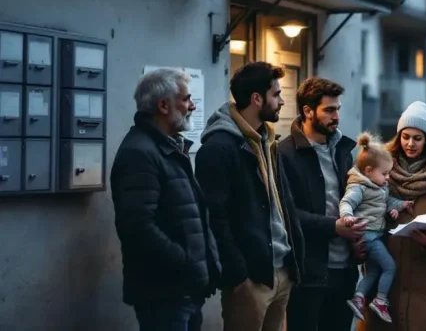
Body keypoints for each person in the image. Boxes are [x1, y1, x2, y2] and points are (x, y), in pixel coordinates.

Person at [194, 62, 304, 331]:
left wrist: (292, 263)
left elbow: (282, 204)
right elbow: (213, 215)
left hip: (280, 271)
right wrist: (237, 272)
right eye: (276, 94)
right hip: (250, 279)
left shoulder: (268, 141)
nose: (282, 101)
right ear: (256, 99)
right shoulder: (219, 147)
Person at [111, 68, 221, 331]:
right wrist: (186, 262)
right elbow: (137, 227)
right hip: (165, 294)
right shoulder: (140, 153)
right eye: (186, 99)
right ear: (163, 105)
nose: (192, 106)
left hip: (184, 290)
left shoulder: (167, 148)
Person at [358, 100, 426, 331]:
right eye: (405, 137)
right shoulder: (381, 172)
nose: (410, 144)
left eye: (417, 138)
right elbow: (363, 206)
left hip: (424, 279)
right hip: (384, 275)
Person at [280, 77, 364, 331]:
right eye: (329, 110)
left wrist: (358, 239)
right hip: (308, 273)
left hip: (345, 271)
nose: (336, 116)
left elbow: (353, 199)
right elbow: (286, 214)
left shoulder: (342, 150)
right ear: (308, 111)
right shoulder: (285, 154)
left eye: (338, 109)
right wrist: (333, 227)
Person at [341, 132, 414, 323]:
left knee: (373, 272)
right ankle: (380, 300)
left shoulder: (379, 187)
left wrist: (400, 206)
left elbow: (388, 201)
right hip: (368, 236)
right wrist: (347, 216)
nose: (388, 178)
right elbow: (347, 202)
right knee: (390, 267)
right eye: (384, 174)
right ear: (368, 171)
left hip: (375, 235)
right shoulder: (359, 187)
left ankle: (358, 298)